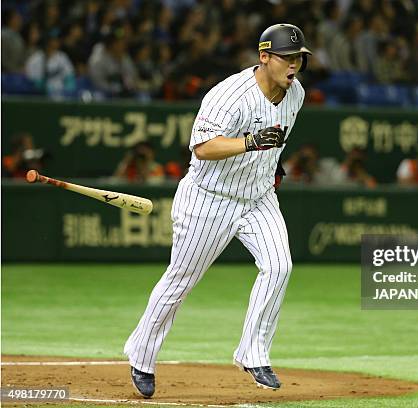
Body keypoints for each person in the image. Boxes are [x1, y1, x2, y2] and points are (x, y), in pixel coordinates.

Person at [124, 23, 311, 398]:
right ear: (264, 57)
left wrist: (270, 163)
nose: (294, 65)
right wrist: (251, 143)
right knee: (180, 282)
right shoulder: (229, 95)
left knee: (280, 266)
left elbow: (274, 143)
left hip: (258, 197)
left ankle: (252, 352)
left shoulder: (296, 94)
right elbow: (203, 148)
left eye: (299, 59)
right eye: (287, 58)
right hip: (211, 198)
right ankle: (141, 355)